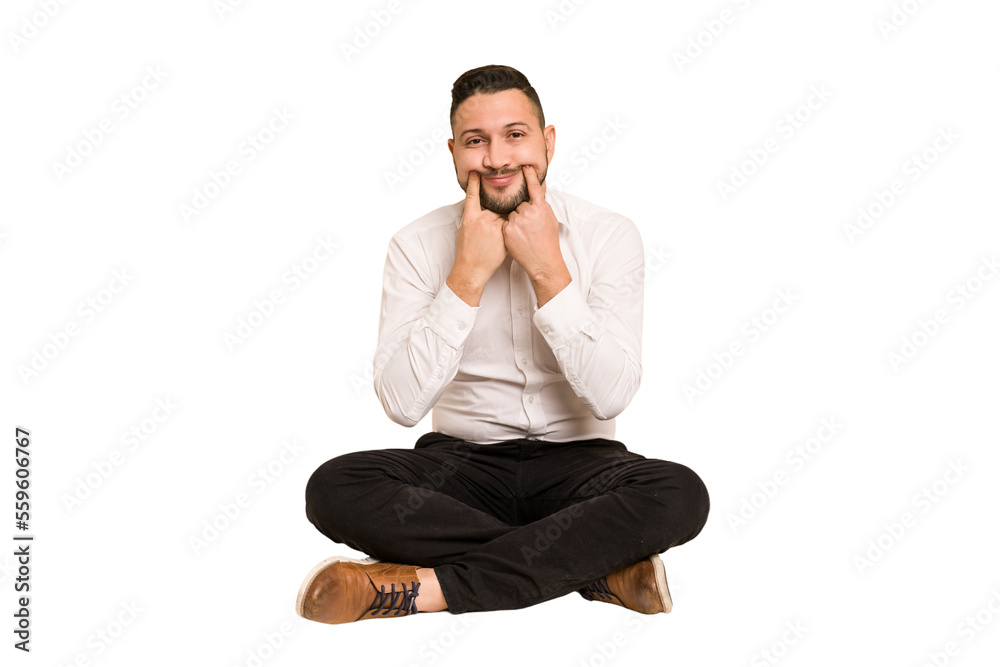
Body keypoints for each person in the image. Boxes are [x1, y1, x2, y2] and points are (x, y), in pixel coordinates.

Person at [298, 64, 710, 624]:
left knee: (679, 493)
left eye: (515, 135)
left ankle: (425, 589)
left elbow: (611, 396)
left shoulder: (609, 234)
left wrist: (549, 272)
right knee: (334, 487)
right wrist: (466, 276)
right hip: (458, 472)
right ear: (453, 152)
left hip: (581, 470)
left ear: (548, 142)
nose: (496, 159)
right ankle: (593, 568)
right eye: (476, 141)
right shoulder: (416, 244)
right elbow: (401, 405)